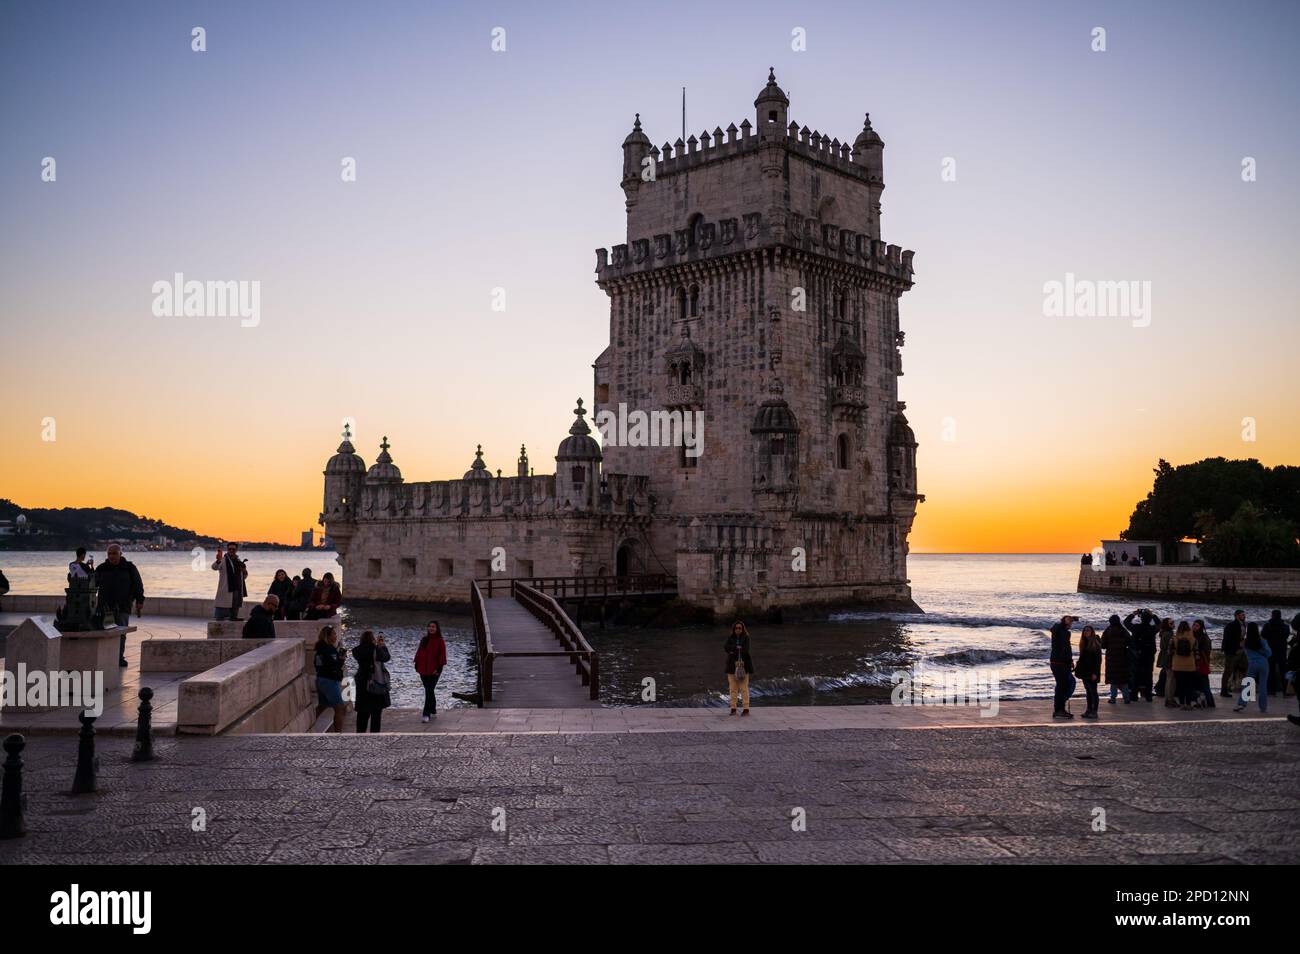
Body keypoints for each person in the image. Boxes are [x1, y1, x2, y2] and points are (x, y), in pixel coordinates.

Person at [93, 543, 144, 667]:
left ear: (120, 554)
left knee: (121, 633)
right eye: (109, 553)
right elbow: (93, 585)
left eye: (114, 553)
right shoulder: (102, 568)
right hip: (105, 607)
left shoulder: (129, 568)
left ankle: (119, 658)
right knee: (108, 633)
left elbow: (138, 584)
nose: (111, 556)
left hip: (123, 606)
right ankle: (108, 657)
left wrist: (139, 601)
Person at [351, 630, 391, 733]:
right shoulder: (376, 649)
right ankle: (374, 737)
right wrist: (381, 645)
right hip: (375, 684)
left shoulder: (356, 651)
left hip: (362, 684)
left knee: (362, 714)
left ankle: (360, 735)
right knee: (376, 715)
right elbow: (386, 657)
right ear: (373, 639)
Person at [313, 625, 348, 732]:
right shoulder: (329, 649)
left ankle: (307, 727)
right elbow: (335, 665)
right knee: (340, 708)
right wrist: (341, 658)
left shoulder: (319, 649)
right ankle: (338, 734)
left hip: (321, 680)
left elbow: (317, 664)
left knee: (322, 706)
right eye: (333, 634)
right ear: (327, 636)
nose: (336, 636)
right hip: (330, 681)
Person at [1233, 623, 1271, 714]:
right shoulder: (1262, 641)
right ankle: (1263, 708)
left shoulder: (1245, 642)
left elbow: (1242, 648)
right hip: (1263, 663)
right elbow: (1269, 653)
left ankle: (1241, 704)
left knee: (1248, 684)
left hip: (1252, 664)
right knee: (1263, 686)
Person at [414, 621, 448, 723]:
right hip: (423, 669)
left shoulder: (440, 641)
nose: (431, 628)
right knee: (429, 690)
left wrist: (438, 669)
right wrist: (416, 665)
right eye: (429, 626)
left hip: (434, 670)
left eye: (433, 627)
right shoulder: (424, 639)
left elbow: (442, 655)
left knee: (429, 690)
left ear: (437, 628)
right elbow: (419, 652)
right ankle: (432, 708)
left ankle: (426, 714)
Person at [1123, 609, 1158, 701]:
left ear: (1141, 618)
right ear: (1150, 619)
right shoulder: (1152, 629)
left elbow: (1126, 623)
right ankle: (1148, 696)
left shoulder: (1136, 628)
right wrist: (1152, 615)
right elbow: (1160, 624)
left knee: (1135, 675)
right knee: (1148, 675)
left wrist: (1133, 614)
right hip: (1149, 655)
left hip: (1137, 654)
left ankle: (1134, 695)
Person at [210, 542, 249, 621]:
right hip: (226, 589)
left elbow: (244, 576)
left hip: (237, 588)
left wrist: (244, 571)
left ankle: (234, 618)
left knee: (235, 606)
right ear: (227, 549)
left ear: (236, 550)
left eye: (233, 549)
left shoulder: (238, 560)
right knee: (220, 612)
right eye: (229, 549)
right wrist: (218, 560)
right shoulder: (223, 560)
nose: (231, 550)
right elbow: (214, 567)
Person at [1049, 615, 1077, 719]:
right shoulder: (1058, 630)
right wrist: (1064, 621)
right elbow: (1054, 628)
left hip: (1064, 663)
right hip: (1057, 662)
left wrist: (1070, 661)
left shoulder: (1066, 633)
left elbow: (1068, 648)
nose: (1071, 624)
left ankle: (1060, 709)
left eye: (1071, 622)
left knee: (1064, 685)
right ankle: (1058, 710)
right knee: (1061, 686)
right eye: (1069, 622)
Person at [724, 620, 754, 716]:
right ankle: (733, 708)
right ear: (734, 629)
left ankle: (746, 709)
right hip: (731, 666)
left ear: (742, 629)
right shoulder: (730, 637)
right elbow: (725, 647)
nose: (738, 629)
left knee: (744, 688)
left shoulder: (746, 637)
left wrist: (733, 650)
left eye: (740, 628)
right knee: (733, 688)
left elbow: (745, 650)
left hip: (743, 666)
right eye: (736, 628)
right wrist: (737, 647)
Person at [1101, 614, 1131, 703]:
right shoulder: (1123, 631)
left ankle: (1113, 698)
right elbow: (1129, 642)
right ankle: (1126, 698)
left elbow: (1103, 645)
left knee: (1113, 680)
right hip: (1122, 657)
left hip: (1111, 658)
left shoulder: (1107, 631)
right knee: (1123, 679)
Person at [1075, 624, 1102, 719]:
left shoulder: (1095, 644)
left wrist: (1095, 673)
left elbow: (1098, 660)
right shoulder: (1083, 643)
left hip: (1092, 672)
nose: (1086, 632)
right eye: (1085, 630)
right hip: (1085, 671)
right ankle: (1089, 710)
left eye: (1088, 630)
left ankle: (1094, 711)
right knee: (1088, 691)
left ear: (1092, 632)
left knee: (1093, 691)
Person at [1170, 621, 1198, 709]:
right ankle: (1189, 704)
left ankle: (1182, 704)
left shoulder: (1174, 638)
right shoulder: (1193, 639)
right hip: (1190, 665)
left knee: (1180, 685)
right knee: (1189, 686)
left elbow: (1169, 652)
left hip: (1177, 665)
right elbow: (1197, 653)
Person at [1261, 610, 1290, 697]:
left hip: (1270, 650)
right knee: (1283, 671)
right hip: (1281, 651)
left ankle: (1271, 690)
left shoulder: (1267, 625)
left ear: (1272, 615)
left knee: (1270, 670)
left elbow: (1263, 635)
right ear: (1280, 616)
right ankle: (1285, 691)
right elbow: (1286, 635)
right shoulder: (1285, 626)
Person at [1221, 610, 1247, 697]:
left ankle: (1241, 687)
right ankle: (1223, 690)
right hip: (1232, 651)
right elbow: (1227, 638)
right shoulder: (1231, 625)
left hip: (1241, 650)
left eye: (1244, 615)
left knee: (1245, 668)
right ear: (1236, 616)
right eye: (1242, 615)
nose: (1244, 616)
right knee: (1228, 671)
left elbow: (1242, 636)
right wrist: (1236, 645)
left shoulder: (1243, 624)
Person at [1154, 617, 1178, 708]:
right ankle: (1169, 699)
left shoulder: (1165, 633)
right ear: (1167, 625)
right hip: (1169, 658)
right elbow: (1170, 647)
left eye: (1173, 622)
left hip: (1165, 657)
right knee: (1171, 679)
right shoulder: (1168, 634)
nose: (1173, 624)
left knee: (1169, 678)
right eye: (1171, 623)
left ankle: (1169, 699)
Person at [1192, 618, 1215, 708]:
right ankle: (1204, 702)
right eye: (1194, 625)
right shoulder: (1192, 636)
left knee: (1204, 684)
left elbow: (1207, 652)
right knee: (1198, 685)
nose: (1194, 627)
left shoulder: (1204, 638)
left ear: (1201, 627)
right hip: (1195, 663)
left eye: (1197, 625)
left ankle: (1209, 702)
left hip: (1201, 663)